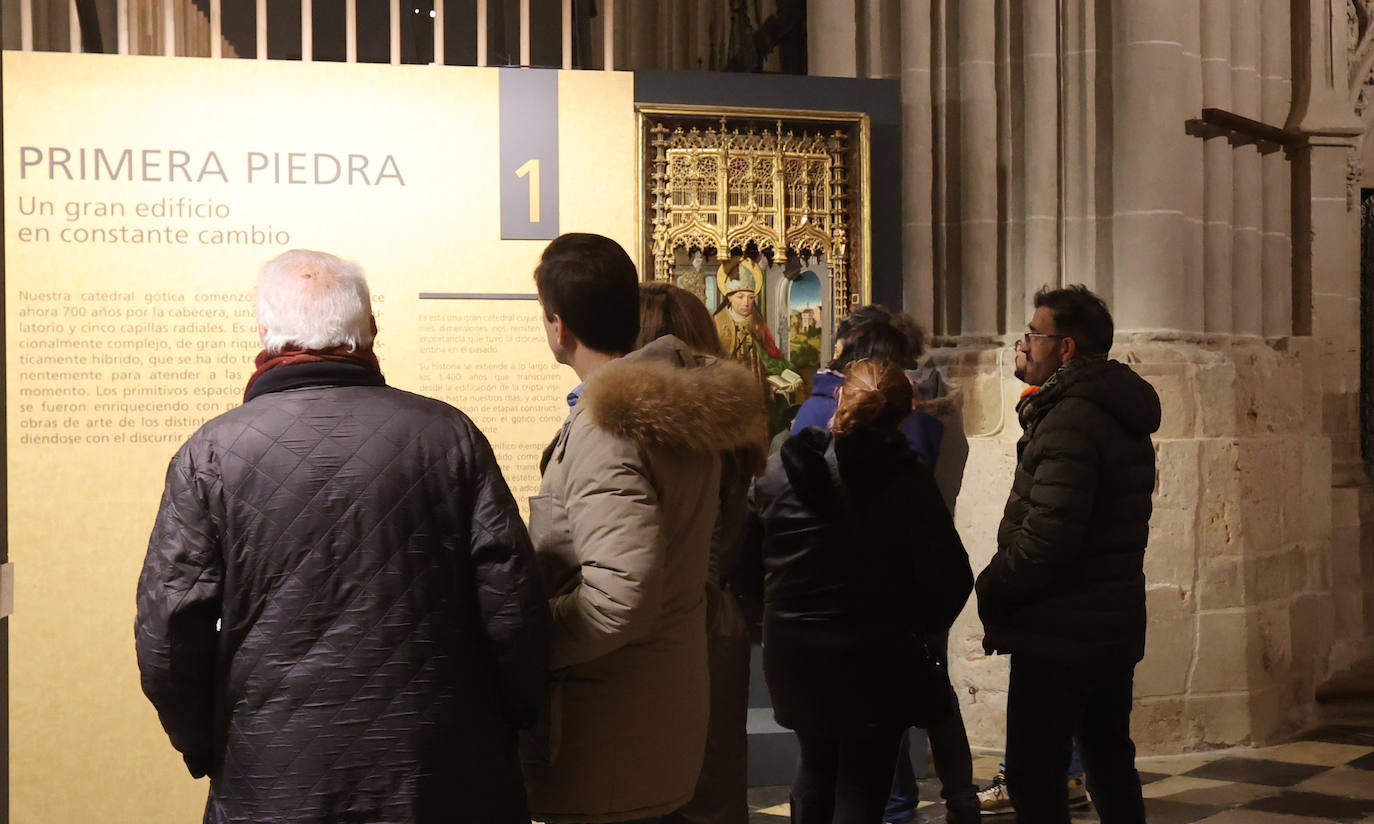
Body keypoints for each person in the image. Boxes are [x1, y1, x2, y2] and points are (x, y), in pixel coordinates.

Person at [135, 249, 550, 824]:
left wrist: (207, 742)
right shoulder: (447, 436)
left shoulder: (211, 454)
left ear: (265, 333)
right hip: (441, 764)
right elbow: (513, 607)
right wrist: (513, 716)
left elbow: (169, 634)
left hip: (273, 770)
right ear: (370, 328)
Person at [523, 234, 762, 824]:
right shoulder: (662, 408)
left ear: (559, 327)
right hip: (650, 713)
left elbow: (619, 599)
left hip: (607, 724)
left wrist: (524, 641)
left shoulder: (611, 428)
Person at [744, 359, 974, 824]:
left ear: (840, 400)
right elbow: (951, 576)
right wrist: (920, 625)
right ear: (905, 413)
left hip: (796, 654)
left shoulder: (779, 472)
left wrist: (774, 616)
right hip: (877, 655)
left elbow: (744, 565)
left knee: (815, 759)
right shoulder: (908, 481)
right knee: (864, 783)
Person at [976, 285, 1159, 824]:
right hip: (1107, 621)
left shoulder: (1072, 419)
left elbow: (1048, 539)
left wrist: (992, 585)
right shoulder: (1109, 406)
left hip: (1059, 630)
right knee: (1108, 760)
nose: (1024, 344)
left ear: (1067, 348)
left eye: (1034, 334)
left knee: (1036, 776)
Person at [637, 281, 768, 824]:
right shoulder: (729, 418)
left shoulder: (656, 426)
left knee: (660, 790)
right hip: (718, 621)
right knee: (713, 785)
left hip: (673, 622)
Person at [791, 312, 944, 468]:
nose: (903, 375)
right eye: (898, 366)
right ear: (872, 367)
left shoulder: (816, 405)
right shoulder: (831, 409)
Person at [713, 256, 790, 391]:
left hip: (757, 382)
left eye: (750, 297)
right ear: (729, 297)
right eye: (740, 297)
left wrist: (782, 373)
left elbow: (771, 353)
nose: (746, 303)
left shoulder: (758, 321)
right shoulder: (717, 322)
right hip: (728, 382)